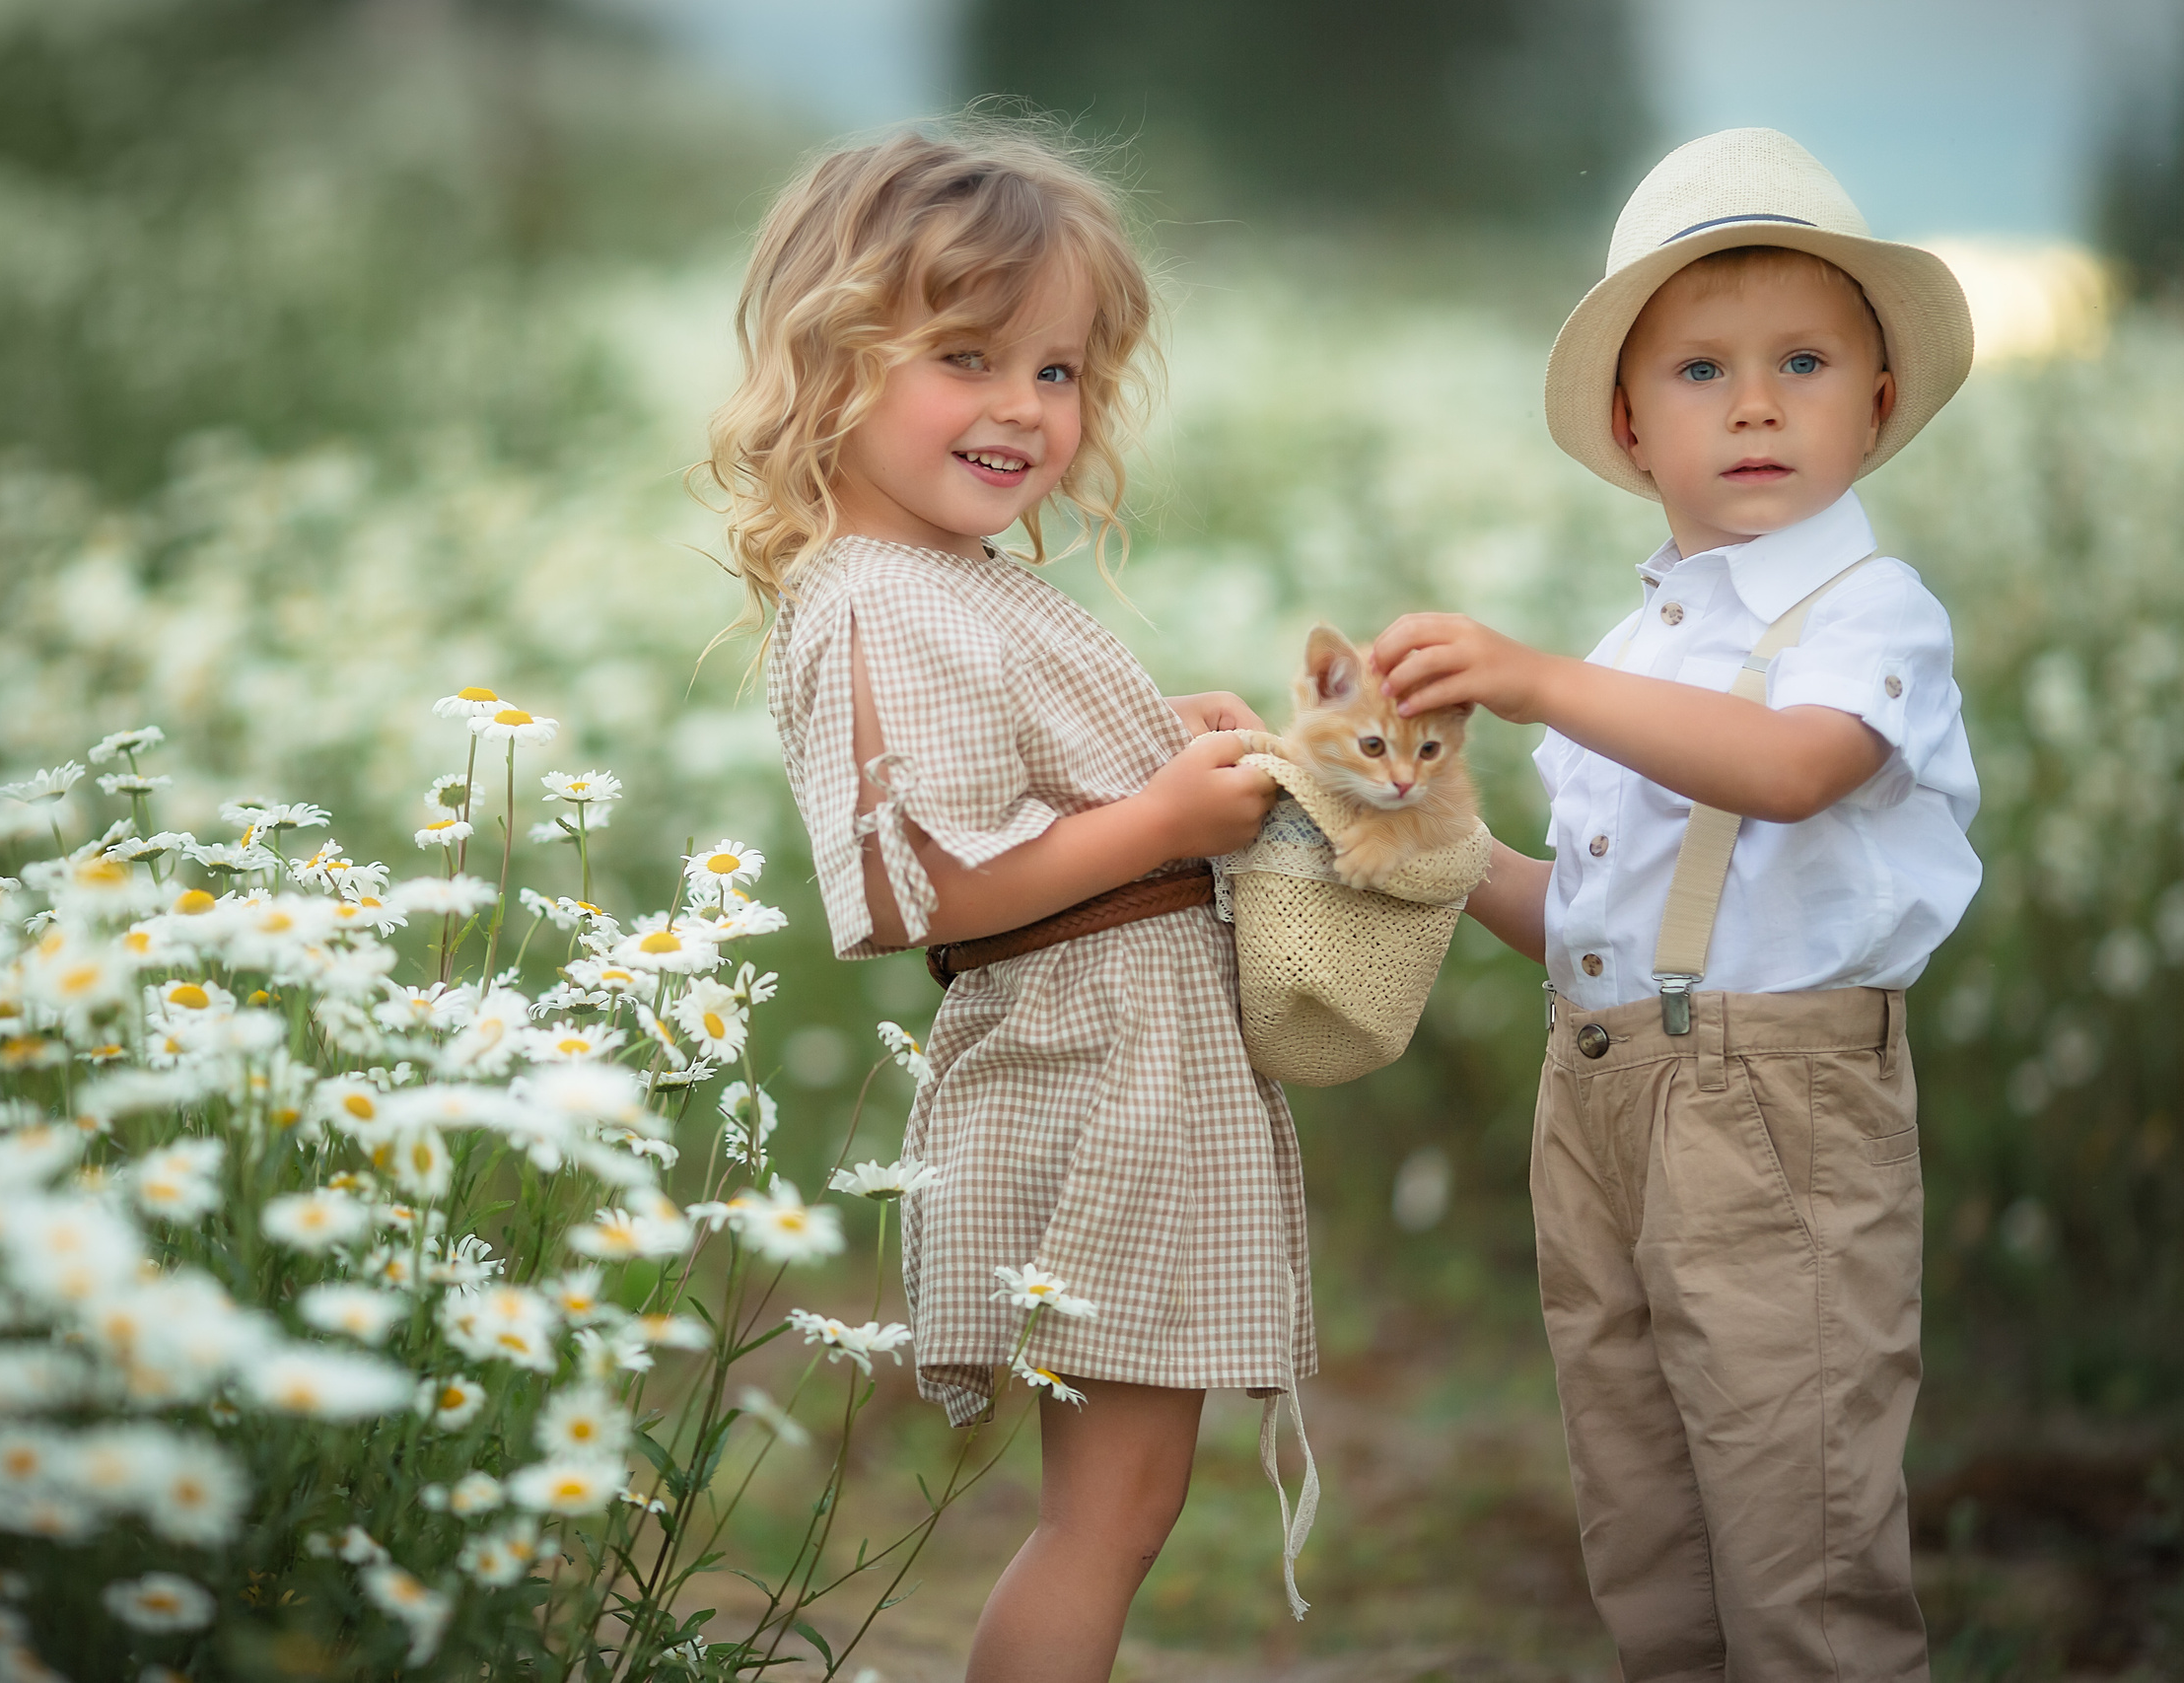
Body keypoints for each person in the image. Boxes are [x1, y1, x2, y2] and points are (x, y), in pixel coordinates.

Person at [707, 123, 1316, 1682]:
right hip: (1093, 1068)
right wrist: (1164, 818)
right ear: (832, 361)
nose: (1023, 409)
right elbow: (935, 885)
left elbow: (1005, 793)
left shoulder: (945, 580)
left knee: (1128, 1502)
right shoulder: (875, 595)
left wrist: (1150, 753)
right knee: (1105, 1515)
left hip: (1128, 1054)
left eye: (1058, 372)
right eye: (966, 355)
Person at [1373, 128, 1980, 1679]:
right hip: (1601, 1103)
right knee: (1648, 1538)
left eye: (1802, 362)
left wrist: (1527, 679)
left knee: (1804, 1550)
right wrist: (1434, 848)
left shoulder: (1868, 613)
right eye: (1703, 373)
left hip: (1776, 1109)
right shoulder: (1635, 652)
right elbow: (1594, 930)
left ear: (1879, 406)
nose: (1759, 402)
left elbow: (1789, 770)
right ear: (1634, 425)